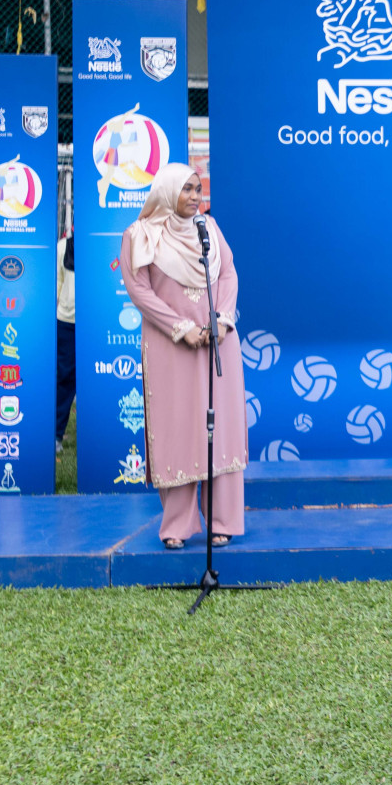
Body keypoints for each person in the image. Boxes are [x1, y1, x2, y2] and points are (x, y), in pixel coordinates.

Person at [121, 164, 247, 549]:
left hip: (217, 340)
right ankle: (177, 525)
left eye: (198, 189)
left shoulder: (208, 229)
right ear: (166, 191)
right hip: (170, 345)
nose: (195, 197)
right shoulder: (140, 235)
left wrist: (222, 320)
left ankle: (222, 521)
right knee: (178, 429)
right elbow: (139, 291)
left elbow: (228, 275)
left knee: (220, 430)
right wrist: (181, 327)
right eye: (187, 189)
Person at [55, 233, 76, 453]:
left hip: (96, 325)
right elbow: (58, 283)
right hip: (67, 322)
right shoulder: (63, 247)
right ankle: (56, 435)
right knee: (64, 379)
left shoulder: (100, 245)